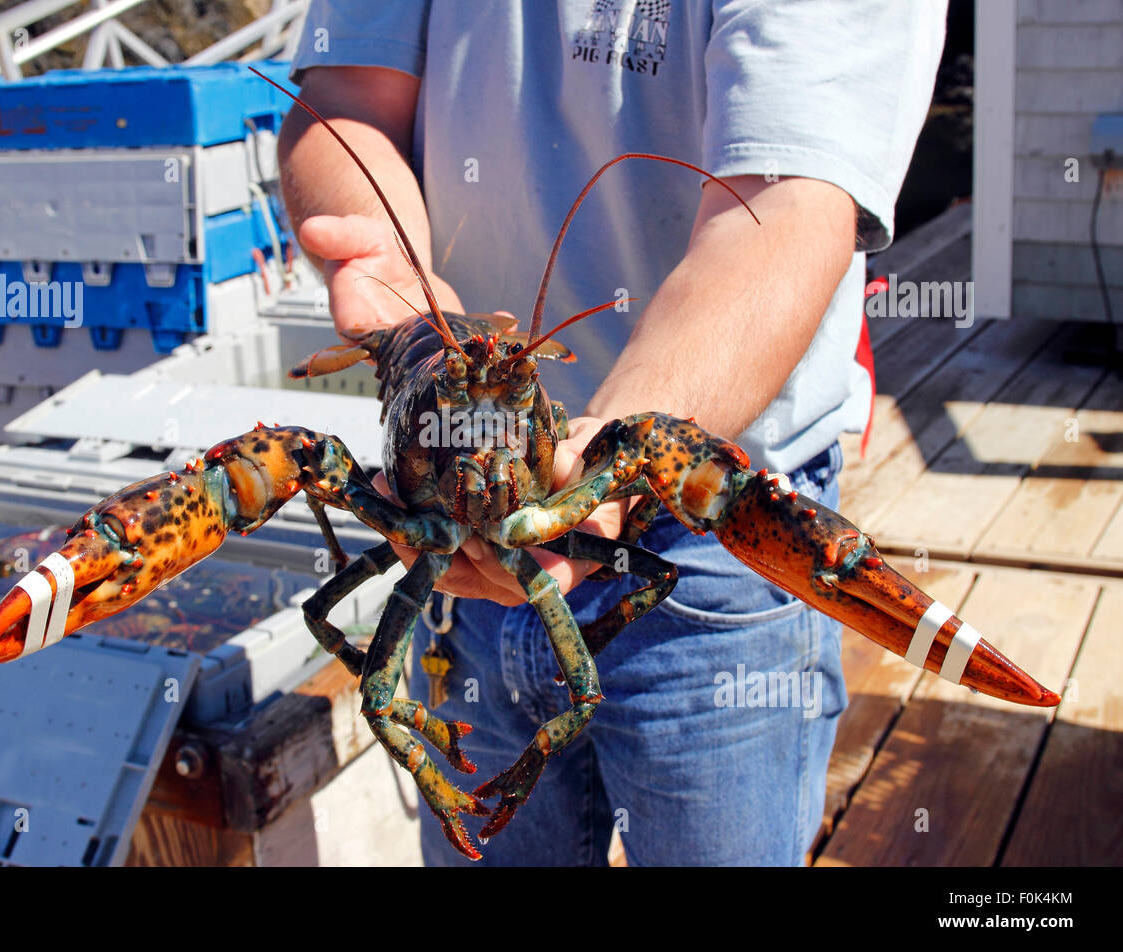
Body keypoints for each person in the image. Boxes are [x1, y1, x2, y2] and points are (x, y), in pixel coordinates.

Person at [278, 0, 945, 865]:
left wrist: (613, 449)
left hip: (717, 527)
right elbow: (346, 97)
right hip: (441, 575)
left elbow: (784, 205)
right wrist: (383, 257)